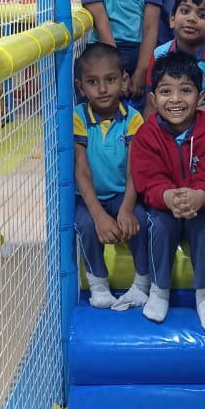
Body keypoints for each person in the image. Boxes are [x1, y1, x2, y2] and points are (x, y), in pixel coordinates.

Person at [130, 51, 205, 331]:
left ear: (200, 97)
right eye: (166, 92)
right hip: (165, 206)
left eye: (185, 91)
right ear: (153, 99)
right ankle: (159, 290)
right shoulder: (147, 134)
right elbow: (147, 179)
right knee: (159, 225)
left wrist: (200, 195)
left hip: (201, 204)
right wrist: (167, 196)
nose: (175, 99)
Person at [74, 43, 149, 310]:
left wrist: (127, 209)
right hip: (89, 197)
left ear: (124, 81)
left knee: (140, 219)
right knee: (84, 224)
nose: (103, 89)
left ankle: (142, 283)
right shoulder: (78, 117)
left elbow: (135, 168)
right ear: (81, 87)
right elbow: (81, 169)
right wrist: (98, 215)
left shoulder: (133, 119)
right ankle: (98, 284)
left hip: (121, 193)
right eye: (93, 82)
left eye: (110, 79)